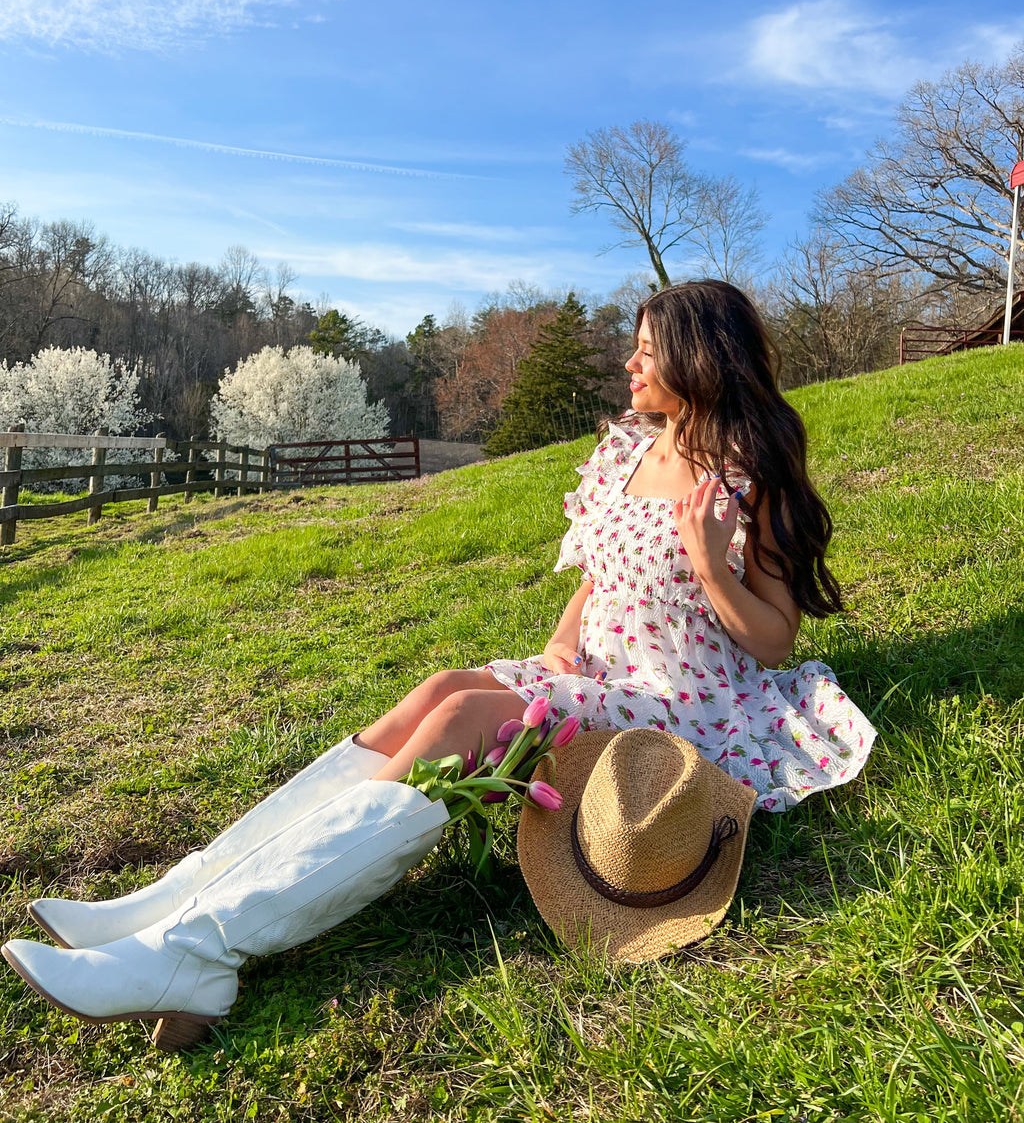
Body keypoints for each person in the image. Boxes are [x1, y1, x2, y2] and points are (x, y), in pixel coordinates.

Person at [3, 280, 874, 1047]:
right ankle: (173, 902)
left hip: (680, 699)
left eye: (647, 350)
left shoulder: (743, 472)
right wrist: (565, 638)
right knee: (437, 691)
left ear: (697, 359)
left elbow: (773, 637)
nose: (630, 362)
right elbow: (603, 574)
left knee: (460, 723)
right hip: (599, 669)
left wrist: (716, 567)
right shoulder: (631, 450)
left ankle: (200, 949)